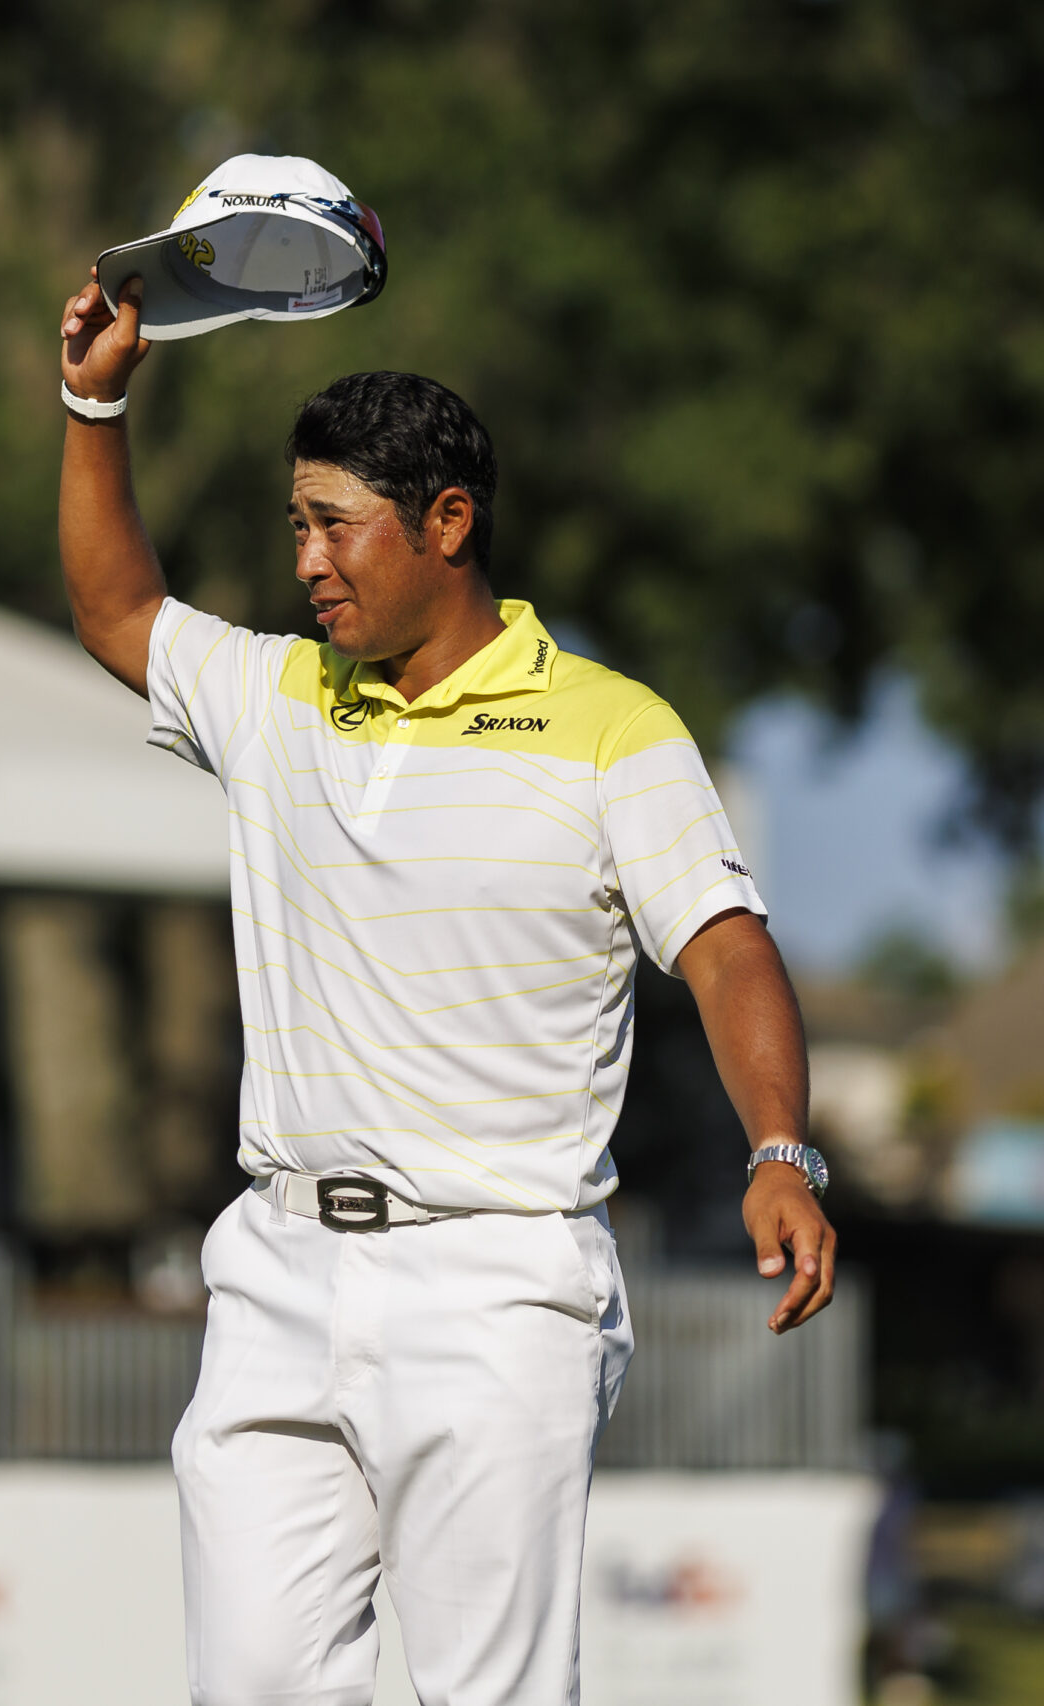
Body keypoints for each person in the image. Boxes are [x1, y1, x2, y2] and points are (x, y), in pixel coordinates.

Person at [57, 272, 837, 1705]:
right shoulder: (279, 694)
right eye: (295, 524)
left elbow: (728, 948)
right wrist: (95, 398)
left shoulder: (614, 731)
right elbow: (117, 606)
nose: (305, 559)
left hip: (496, 1285)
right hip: (276, 1270)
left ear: (449, 524)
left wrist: (779, 1151)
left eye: (333, 523)